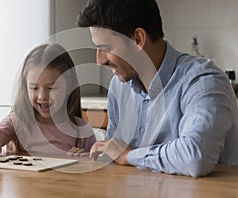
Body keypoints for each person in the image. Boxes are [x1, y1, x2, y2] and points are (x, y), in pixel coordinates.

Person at [76, 0, 238, 177]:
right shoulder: (119, 86)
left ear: (138, 39)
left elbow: (195, 157)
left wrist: (129, 155)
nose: (99, 61)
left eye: (105, 48)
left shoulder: (203, 80)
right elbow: (116, 154)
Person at [0, 43, 96, 156]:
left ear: (68, 85)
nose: (42, 96)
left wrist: (84, 159)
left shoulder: (81, 131)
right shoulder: (17, 123)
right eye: (34, 88)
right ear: (26, 87)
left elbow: (95, 168)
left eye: (51, 88)